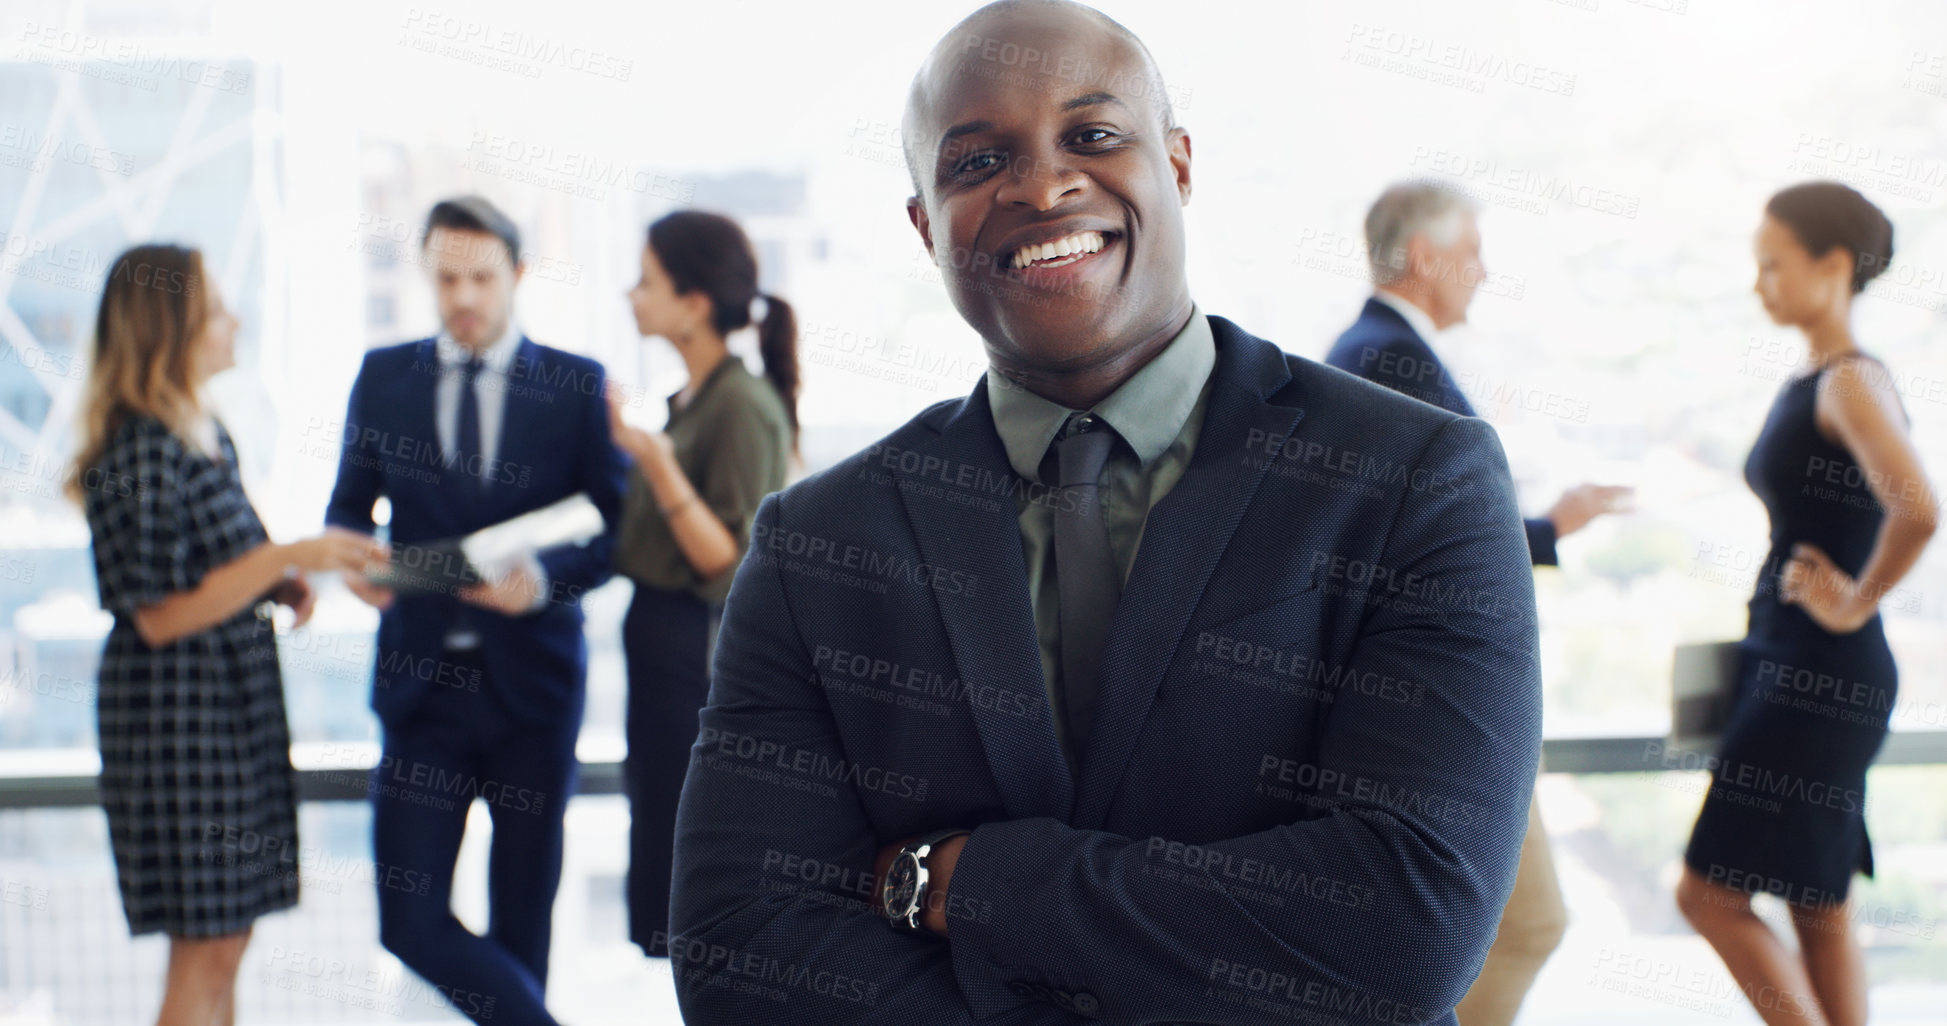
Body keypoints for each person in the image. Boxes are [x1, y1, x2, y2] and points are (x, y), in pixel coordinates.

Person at [668, 3, 1543, 1023]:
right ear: (925, 225)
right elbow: (741, 959)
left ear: (1176, 165)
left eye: (1091, 137)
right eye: (976, 162)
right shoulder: (817, 543)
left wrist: (967, 885)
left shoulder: (1416, 477)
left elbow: (1401, 927)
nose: (1041, 186)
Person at [1324, 181, 1632, 1026]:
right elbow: (1428, 539)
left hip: (1422, 692)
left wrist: (1545, 525)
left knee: (1508, 925)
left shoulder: (1372, 351)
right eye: (1472, 252)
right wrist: (1539, 530)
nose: (1484, 273)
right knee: (1524, 922)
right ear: (1424, 257)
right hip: (1432, 699)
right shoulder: (1385, 360)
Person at [324, 196, 628, 1025]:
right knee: (408, 918)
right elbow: (349, 509)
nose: (463, 296)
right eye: (446, 277)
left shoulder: (575, 383)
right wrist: (354, 560)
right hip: (423, 687)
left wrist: (545, 582)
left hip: (532, 688)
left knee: (524, 922)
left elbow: (617, 530)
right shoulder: (383, 378)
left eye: (480, 277)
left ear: (517, 275)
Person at [72, 244, 384, 1026]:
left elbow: (213, 573)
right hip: (178, 723)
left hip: (228, 711)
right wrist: (284, 557)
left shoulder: (202, 434)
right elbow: (158, 611)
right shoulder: (140, 446)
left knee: (228, 938)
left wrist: (274, 582)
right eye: (216, 310)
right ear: (169, 329)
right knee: (205, 944)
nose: (233, 322)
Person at [1676, 182, 1937, 1026]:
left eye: (1773, 266)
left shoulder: (1848, 382)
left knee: (1707, 897)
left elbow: (1920, 508)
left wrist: (1853, 603)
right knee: (1816, 903)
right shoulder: (1824, 376)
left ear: (1831, 266)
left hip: (1813, 670)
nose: (1760, 285)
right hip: (1801, 661)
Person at [606, 210, 797, 958]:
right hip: (659, 646)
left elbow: (728, 564)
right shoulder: (691, 400)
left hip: (694, 647)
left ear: (691, 303)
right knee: (655, 823)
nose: (631, 295)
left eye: (646, 281)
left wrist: (653, 462)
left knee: (686, 854)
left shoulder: (741, 405)